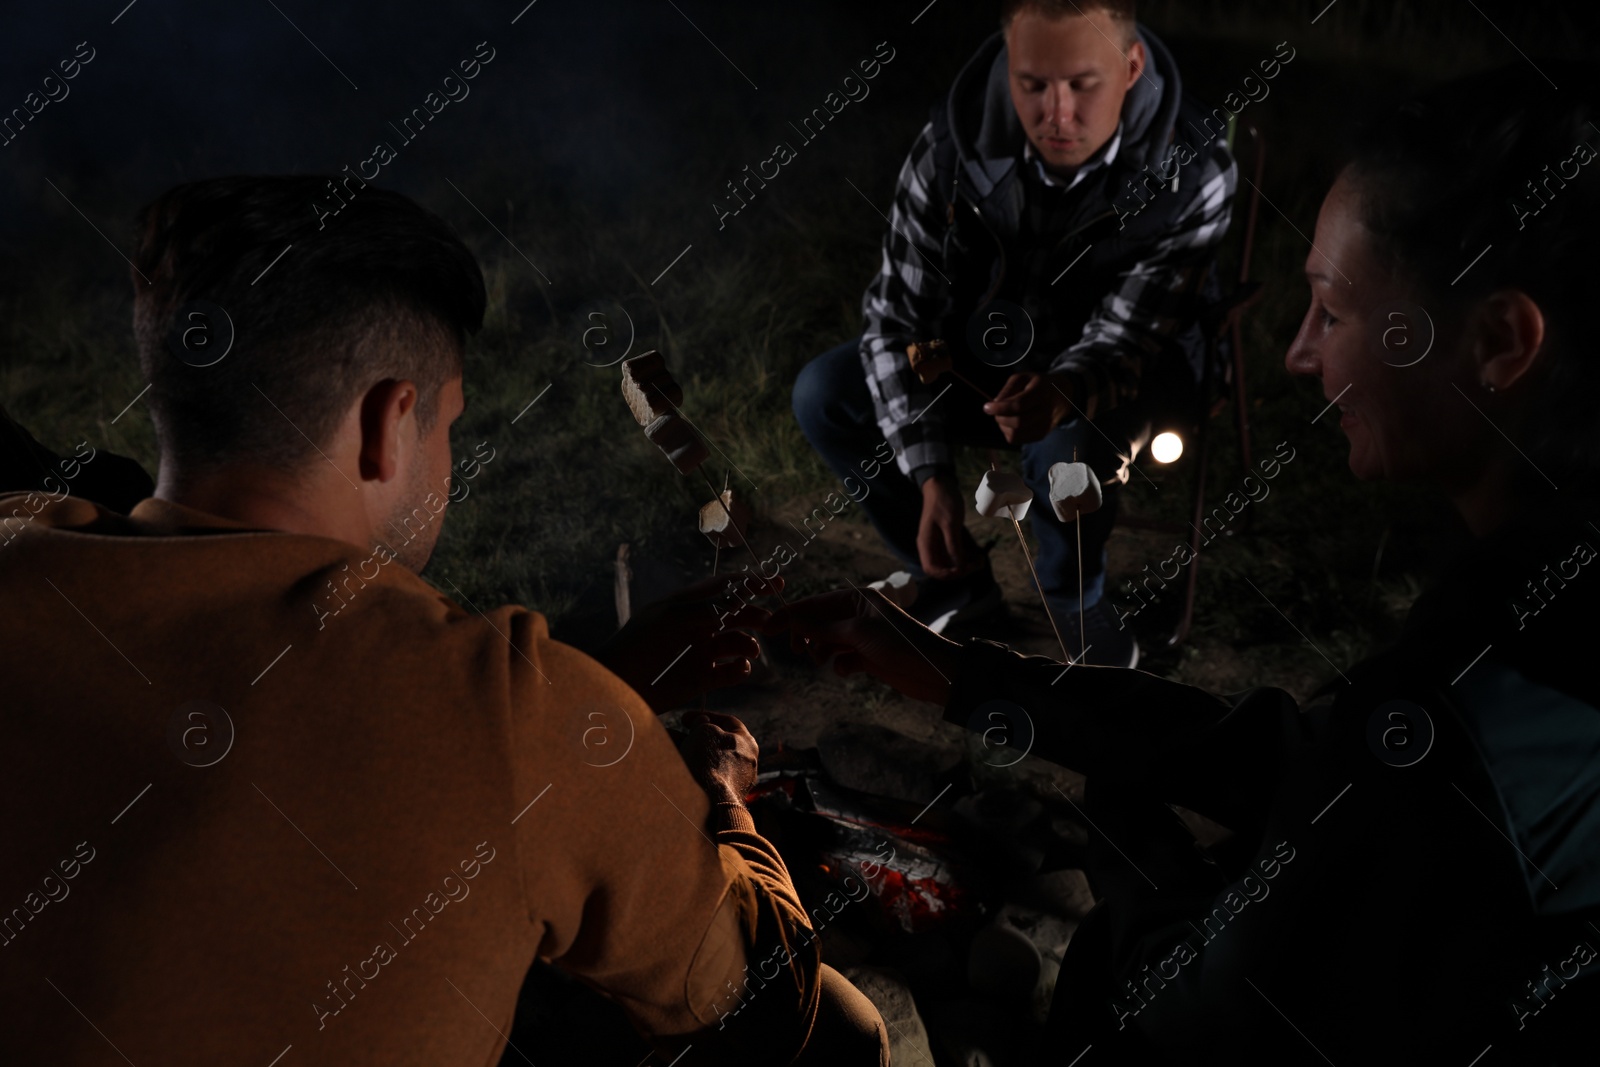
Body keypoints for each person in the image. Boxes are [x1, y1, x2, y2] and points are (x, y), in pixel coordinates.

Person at [771, 63, 1600, 1063]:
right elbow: (1305, 750)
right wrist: (965, 679)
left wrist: (1128, 854)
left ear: (1500, 342)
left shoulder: (1488, 680)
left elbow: (1212, 1003)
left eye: (1330, 313)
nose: (1297, 354)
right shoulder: (1525, 608)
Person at [0, 177, 887, 1066]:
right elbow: (771, 1007)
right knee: (847, 1034)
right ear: (388, 425)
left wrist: (604, 680)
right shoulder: (512, 710)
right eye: (448, 424)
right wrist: (727, 804)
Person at [793, 0, 1237, 666]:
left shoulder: (1194, 174)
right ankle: (958, 583)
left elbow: (1129, 338)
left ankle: (1074, 604)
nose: (1057, 114)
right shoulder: (950, 147)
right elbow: (897, 320)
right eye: (1033, 84)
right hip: (983, 354)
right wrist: (931, 477)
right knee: (825, 392)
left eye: (1083, 83)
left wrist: (1060, 391)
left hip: (1123, 369)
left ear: (1131, 67)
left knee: (1066, 453)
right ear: (1009, 71)